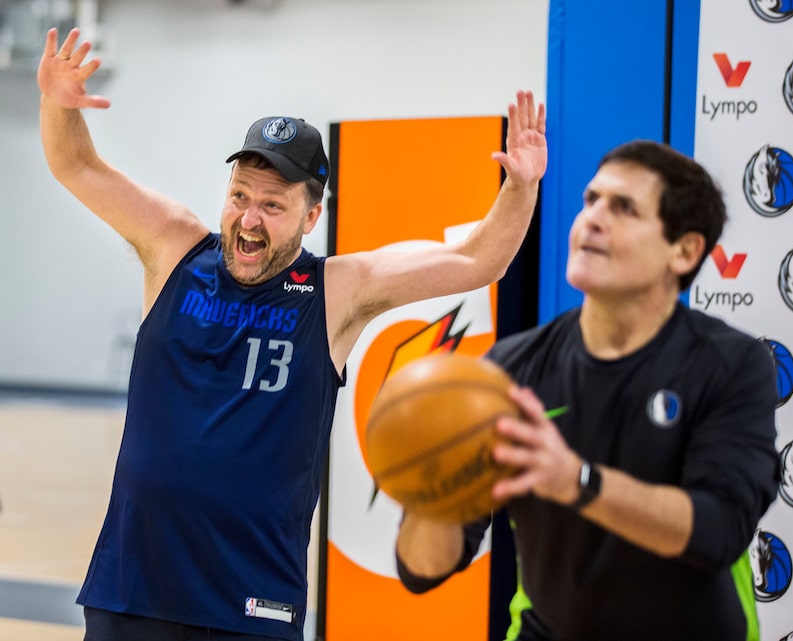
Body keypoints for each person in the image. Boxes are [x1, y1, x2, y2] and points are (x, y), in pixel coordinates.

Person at [36, 27, 547, 641]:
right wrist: (56, 104)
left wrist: (519, 190)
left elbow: (476, 260)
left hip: (251, 601)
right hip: (134, 584)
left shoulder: (337, 291)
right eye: (239, 197)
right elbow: (77, 163)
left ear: (311, 217)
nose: (249, 220)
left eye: (273, 206)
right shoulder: (174, 247)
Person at [395, 140, 780, 641]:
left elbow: (717, 531)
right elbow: (422, 571)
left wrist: (576, 480)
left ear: (683, 250)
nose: (593, 219)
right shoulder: (508, 370)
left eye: (624, 208)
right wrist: (432, 492)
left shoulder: (731, 363)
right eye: (590, 200)